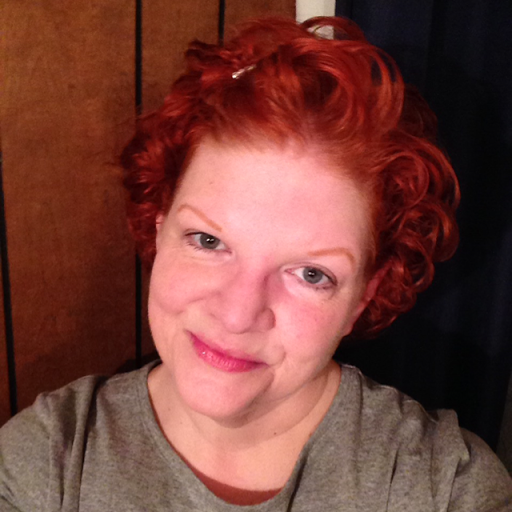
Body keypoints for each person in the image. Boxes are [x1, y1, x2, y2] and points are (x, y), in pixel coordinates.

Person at [1, 15, 511, 511]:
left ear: (363, 298)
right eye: (208, 240)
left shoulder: (442, 485)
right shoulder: (46, 460)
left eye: (312, 274)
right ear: (159, 226)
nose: (237, 315)